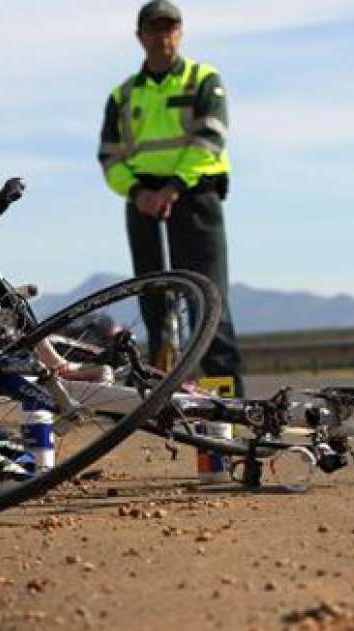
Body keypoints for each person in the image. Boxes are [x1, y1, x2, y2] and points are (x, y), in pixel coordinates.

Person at [97, 0, 244, 395]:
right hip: (143, 199)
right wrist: (138, 192)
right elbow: (109, 157)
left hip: (194, 195)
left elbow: (209, 140)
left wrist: (173, 188)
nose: (163, 35)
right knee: (153, 299)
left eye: (170, 27)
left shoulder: (203, 79)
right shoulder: (123, 96)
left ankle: (227, 402)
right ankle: (163, 394)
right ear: (140, 36)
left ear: (180, 32)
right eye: (155, 28)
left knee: (208, 299)